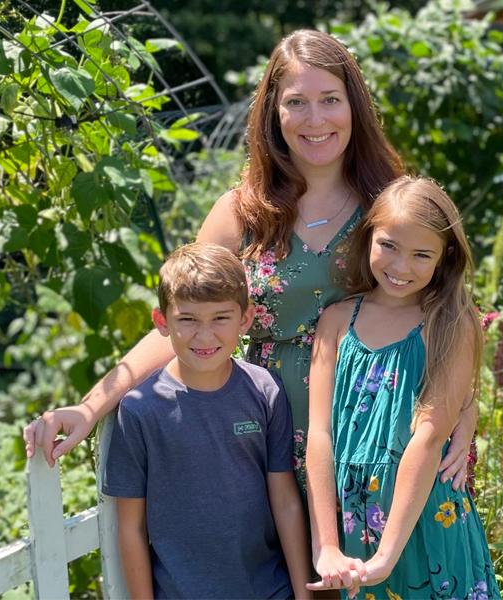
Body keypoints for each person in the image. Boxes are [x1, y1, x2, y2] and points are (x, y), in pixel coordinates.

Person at [24, 30, 476, 495]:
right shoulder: (241, 214)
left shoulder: (389, 207)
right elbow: (185, 320)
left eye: (330, 99)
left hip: (386, 436)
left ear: (353, 107)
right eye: (297, 102)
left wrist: (466, 404)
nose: (315, 118)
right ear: (273, 113)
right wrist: (90, 406)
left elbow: (449, 305)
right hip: (270, 444)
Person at [305, 177, 501, 599]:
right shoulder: (336, 321)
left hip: (426, 514)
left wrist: (387, 556)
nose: (400, 267)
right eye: (388, 246)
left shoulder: (449, 322)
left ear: (444, 257)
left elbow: (429, 438)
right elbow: (319, 435)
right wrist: (326, 546)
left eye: (421, 255)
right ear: (369, 235)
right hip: (355, 521)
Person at [103, 241, 310, 600]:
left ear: (245, 319)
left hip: (270, 590)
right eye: (188, 320)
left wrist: (303, 595)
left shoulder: (265, 391)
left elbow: (286, 502)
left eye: (220, 318)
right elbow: (131, 528)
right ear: (162, 321)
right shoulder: (139, 410)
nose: (204, 335)